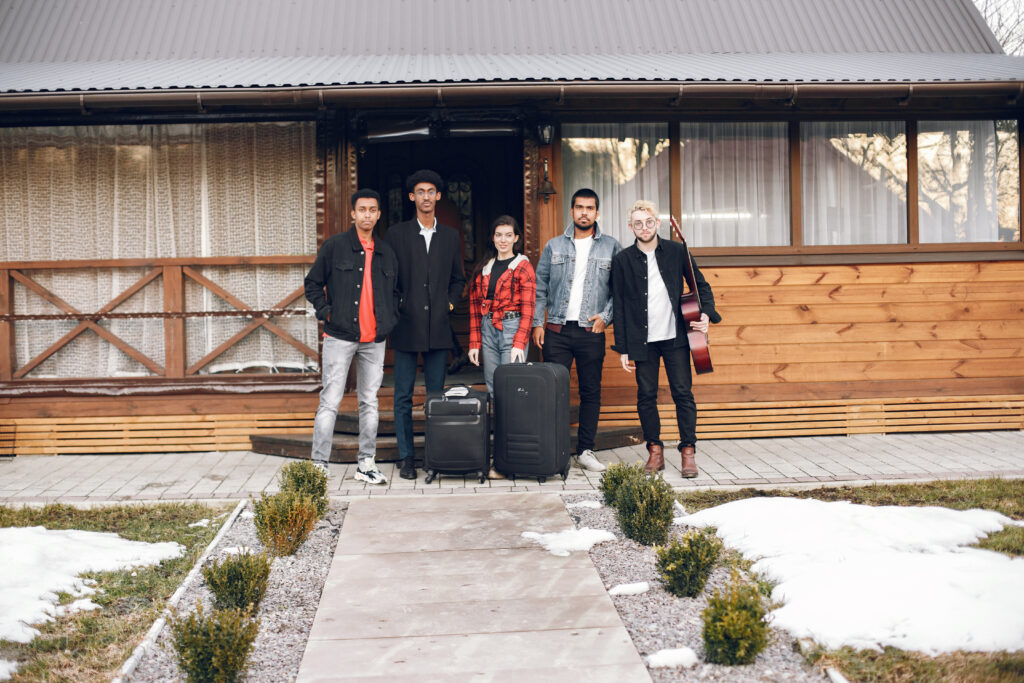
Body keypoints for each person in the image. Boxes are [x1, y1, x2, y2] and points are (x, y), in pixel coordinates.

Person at [611, 200, 721, 477]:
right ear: (630, 227)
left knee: (682, 393)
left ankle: (688, 452)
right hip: (642, 340)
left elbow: (701, 285)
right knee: (646, 396)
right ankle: (655, 451)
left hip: (676, 338)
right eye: (638, 223)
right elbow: (620, 306)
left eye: (649, 222)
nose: (644, 227)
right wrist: (623, 348)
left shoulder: (676, 251)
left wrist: (707, 314)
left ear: (657, 223)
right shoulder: (622, 260)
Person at [304, 188, 400, 485]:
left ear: (379, 214)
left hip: (374, 339)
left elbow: (395, 292)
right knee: (330, 400)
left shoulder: (386, 252)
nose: (367, 215)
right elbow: (312, 284)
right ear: (352, 213)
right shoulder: (335, 247)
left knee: (369, 402)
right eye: (362, 210)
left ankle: (366, 463)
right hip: (340, 336)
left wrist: (389, 318)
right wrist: (327, 312)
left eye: (373, 210)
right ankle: (319, 464)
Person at [384, 169, 467, 480]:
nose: (426, 197)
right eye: (420, 191)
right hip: (406, 326)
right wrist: (400, 305)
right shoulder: (396, 234)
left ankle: (434, 455)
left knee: (436, 396)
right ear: (411, 197)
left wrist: (449, 302)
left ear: (439, 196)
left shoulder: (449, 236)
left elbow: (458, 278)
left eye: (431, 191)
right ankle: (407, 457)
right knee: (403, 396)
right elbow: (388, 279)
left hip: (438, 327)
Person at [532, 188, 621, 473]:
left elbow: (620, 291)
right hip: (556, 330)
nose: (584, 212)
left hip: (590, 332)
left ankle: (585, 450)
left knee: (590, 391)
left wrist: (605, 318)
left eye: (590, 208)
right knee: (553, 392)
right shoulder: (554, 246)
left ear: (597, 212)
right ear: (571, 211)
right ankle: (554, 449)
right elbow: (540, 286)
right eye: (579, 207)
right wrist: (537, 322)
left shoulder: (611, 246)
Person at [467, 216, 536, 478]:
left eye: (508, 235)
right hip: (488, 330)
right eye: (499, 235)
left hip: (512, 328)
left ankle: (512, 460)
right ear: (493, 238)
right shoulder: (485, 266)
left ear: (516, 238)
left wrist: (520, 340)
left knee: (512, 394)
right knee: (495, 392)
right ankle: (500, 457)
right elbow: (475, 308)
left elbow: (528, 309)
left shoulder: (522, 267)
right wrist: (474, 342)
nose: (503, 240)